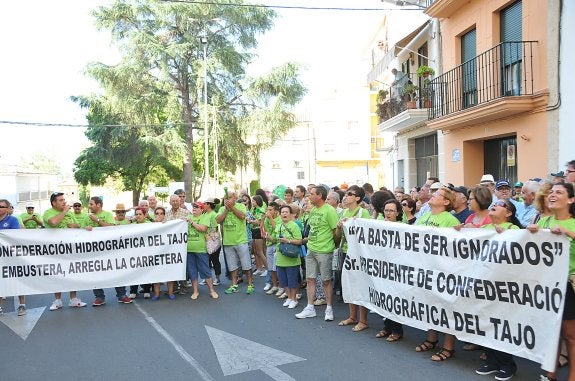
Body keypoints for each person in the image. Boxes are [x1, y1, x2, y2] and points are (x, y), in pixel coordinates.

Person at [528, 182, 575, 381]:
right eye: (551, 192)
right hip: (547, 285)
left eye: (559, 192)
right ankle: (550, 374)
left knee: (570, 335)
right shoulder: (544, 222)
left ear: (571, 199)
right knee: (551, 332)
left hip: (568, 284)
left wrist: (568, 233)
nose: (552, 195)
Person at [473, 200, 521, 380]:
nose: (494, 205)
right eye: (493, 203)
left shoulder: (514, 229)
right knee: (485, 322)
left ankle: (507, 364)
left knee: (501, 325)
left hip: (504, 286)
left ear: (508, 213)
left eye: (500, 204)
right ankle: (492, 361)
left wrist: (506, 235)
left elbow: (518, 249)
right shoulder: (485, 229)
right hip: (485, 284)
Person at [414, 187, 460, 361]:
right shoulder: (424, 216)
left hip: (443, 271)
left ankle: (448, 347)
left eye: (437, 194)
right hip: (425, 268)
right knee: (430, 305)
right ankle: (432, 339)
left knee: (447, 307)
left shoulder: (450, 220)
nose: (432, 195)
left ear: (446, 202)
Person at [295, 186, 339, 321]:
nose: (309, 196)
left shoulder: (330, 211)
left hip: (324, 251)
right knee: (310, 279)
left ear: (320, 195)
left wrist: (332, 246)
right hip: (311, 249)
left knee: (326, 280)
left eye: (312, 194)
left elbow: (335, 232)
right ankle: (310, 307)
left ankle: (329, 308)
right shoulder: (313, 210)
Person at [43, 192, 87, 311]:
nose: (64, 202)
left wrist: (77, 227)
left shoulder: (69, 213)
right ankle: (57, 300)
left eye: (64, 199)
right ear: (54, 203)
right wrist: (63, 212)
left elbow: (75, 225)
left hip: (70, 248)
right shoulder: (48, 212)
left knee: (73, 272)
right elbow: (53, 223)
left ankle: (73, 299)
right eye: (61, 200)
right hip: (55, 250)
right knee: (57, 273)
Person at [336, 185, 370, 331]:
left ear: (357, 198)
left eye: (350, 194)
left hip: (358, 254)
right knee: (349, 283)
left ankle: (363, 320)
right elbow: (337, 237)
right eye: (346, 193)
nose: (345, 196)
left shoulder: (363, 213)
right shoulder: (343, 212)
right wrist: (338, 227)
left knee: (360, 285)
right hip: (345, 251)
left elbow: (368, 235)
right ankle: (352, 316)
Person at [88, 196, 133, 306]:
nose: (89, 206)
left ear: (98, 205)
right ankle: (99, 297)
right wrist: (86, 227)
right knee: (96, 274)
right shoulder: (88, 216)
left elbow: (112, 228)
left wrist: (97, 220)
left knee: (116, 271)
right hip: (95, 251)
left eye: (91, 204)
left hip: (109, 250)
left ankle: (122, 295)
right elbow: (83, 229)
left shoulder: (107, 215)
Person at [374, 199, 404, 342]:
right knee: (384, 299)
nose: (388, 213)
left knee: (394, 299)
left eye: (391, 210)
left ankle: (397, 330)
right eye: (386, 210)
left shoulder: (403, 227)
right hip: (382, 268)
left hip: (396, 269)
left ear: (397, 212)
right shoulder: (379, 224)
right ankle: (387, 327)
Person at [216, 190, 254, 295]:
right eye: (225, 198)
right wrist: (226, 210)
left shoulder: (241, 206)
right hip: (228, 241)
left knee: (246, 264)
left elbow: (242, 216)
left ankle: (250, 284)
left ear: (235, 198)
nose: (226, 200)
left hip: (241, 240)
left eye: (229, 198)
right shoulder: (222, 208)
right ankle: (234, 284)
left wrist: (232, 207)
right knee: (232, 265)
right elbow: (218, 220)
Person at [0, 199, 26, 316]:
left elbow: (14, 236)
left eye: (2, 206)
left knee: (17, 280)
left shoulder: (13, 220)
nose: (0, 208)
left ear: (7, 208)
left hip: (11, 255)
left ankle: (22, 305)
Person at [187, 202, 218, 300]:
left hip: (201, 249)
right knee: (192, 271)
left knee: (205, 270)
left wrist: (191, 222)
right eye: (194, 207)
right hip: (189, 250)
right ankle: (195, 291)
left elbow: (203, 228)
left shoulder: (205, 217)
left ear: (202, 209)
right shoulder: (188, 216)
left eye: (197, 207)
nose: (194, 208)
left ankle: (212, 290)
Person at [274, 204, 303, 309]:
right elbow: (275, 238)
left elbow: (300, 241)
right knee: (283, 280)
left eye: (286, 212)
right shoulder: (279, 225)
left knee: (292, 280)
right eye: (282, 212)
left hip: (291, 258)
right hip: (280, 256)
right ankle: (289, 298)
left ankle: (294, 299)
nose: (284, 214)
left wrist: (288, 240)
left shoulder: (294, 225)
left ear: (291, 214)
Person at [262, 201, 281, 294]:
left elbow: (277, 229)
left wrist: (270, 219)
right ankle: (274, 286)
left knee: (277, 268)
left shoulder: (279, 219)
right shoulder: (266, 219)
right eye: (267, 209)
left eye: (270, 210)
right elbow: (265, 229)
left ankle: (281, 287)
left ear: (276, 211)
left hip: (277, 244)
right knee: (270, 267)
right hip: (269, 244)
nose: (268, 211)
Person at [204, 198, 222, 286]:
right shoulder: (204, 214)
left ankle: (217, 278)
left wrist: (210, 236)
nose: (203, 205)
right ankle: (207, 278)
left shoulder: (214, 214)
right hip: (206, 240)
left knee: (215, 260)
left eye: (205, 203)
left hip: (213, 241)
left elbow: (215, 227)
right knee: (206, 261)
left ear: (209, 205)